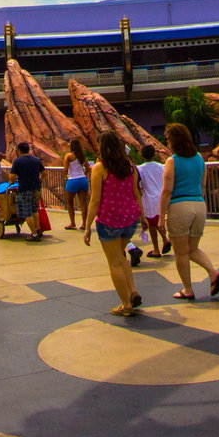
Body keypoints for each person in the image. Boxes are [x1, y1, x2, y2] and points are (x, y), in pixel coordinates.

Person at [82, 131, 145, 317]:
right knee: (121, 256)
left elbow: (94, 200)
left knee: (114, 262)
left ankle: (126, 304)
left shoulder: (100, 169)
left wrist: (87, 227)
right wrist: (142, 216)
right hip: (129, 219)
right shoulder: (130, 167)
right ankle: (132, 290)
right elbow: (136, 193)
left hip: (109, 220)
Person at [160, 122, 219, 300]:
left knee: (180, 253)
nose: (167, 142)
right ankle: (213, 273)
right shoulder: (198, 158)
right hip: (199, 205)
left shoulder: (172, 162)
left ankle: (188, 289)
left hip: (180, 206)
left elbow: (166, 190)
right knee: (192, 249)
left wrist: (161, 216)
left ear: (174, 140)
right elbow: (203, 185)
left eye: (168, 139)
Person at [135, 143, 169, 257]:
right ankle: (165, 239)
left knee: (152, 225)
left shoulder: (140, 169)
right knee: (160, 221)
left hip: (149, 198)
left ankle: (156, 249)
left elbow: (139, 185)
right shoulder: (162, 167)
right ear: (154, 154)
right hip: (161, 197)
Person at [9, 141, 45, 241]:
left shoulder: (18, 161)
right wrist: (40, 180)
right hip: (36, 190)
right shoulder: (36, 160)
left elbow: (12, 176)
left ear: (19, 151)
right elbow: (44, 173)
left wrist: (11, 181)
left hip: (24, 190)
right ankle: (38, 229)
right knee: (34, 210)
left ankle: (34, 234)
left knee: (27, 213)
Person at [62, 141, 91, 229]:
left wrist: (66, 176)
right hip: (82, 179)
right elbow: (88, 168)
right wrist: (83, 174)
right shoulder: (82, 156)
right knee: (83, 203)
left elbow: (65, 169)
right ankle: (84, 224)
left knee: (70, 203)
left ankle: (72, 223)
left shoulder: (68, 156)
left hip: (72, 180)